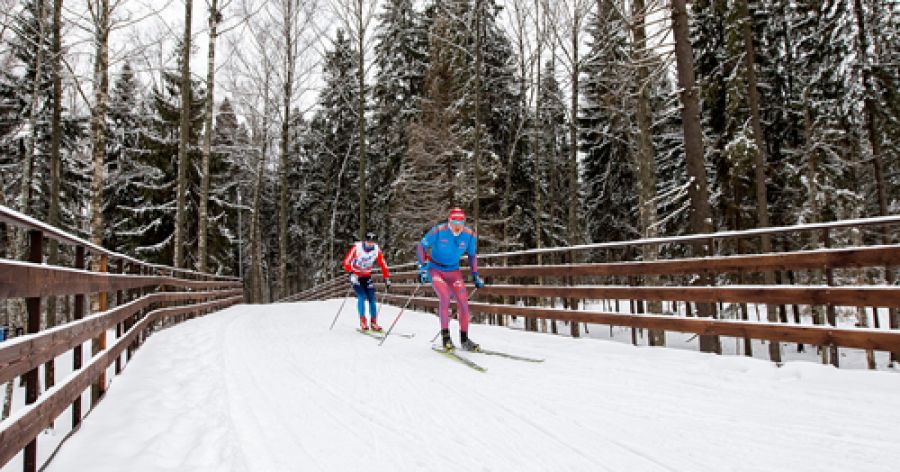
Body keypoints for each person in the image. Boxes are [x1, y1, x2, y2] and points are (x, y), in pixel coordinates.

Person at [416, 207, 485, 351]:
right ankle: (446, 338)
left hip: (453, 271)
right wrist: (422, 267)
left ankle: (464, 339)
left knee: (463, 301)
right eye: (455, 222)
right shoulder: (439, 231)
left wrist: (475, 274)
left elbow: (472, 256)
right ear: (449, 221)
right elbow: (421, 246)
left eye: (461, 223)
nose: (458, 226)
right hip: (435, 269)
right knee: (445, 297)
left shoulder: (469, 235)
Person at [343, 232, 392, 331]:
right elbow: (346, 262)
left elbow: (383, 264)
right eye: (368, 241)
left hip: (366, 276)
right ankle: (363, 321)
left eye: (372, 242)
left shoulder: (376, 250)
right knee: (362, 296)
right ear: (364, 241)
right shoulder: (357, 248)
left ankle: (374, 322)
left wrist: (387, 278)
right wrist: (351, 273)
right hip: (356, 276)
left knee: (372, 299)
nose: (370, 244)